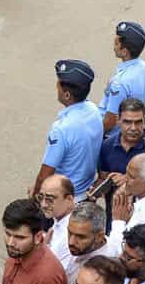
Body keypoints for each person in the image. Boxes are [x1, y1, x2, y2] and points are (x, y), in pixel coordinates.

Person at [34, 59, 104, 198]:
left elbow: (45, 174)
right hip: (86, 190)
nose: (56, 87)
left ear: (67, 95)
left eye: (58, 84)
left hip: (66, 198)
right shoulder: (93, 110)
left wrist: (35, 196)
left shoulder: (61, 129)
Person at [102, 23, 145, 135]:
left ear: (124, 51)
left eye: (116, 44)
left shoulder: (120, 82)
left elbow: (110, 120)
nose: (114, 46)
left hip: (113, 135)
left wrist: (95, 138)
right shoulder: (143, 66)